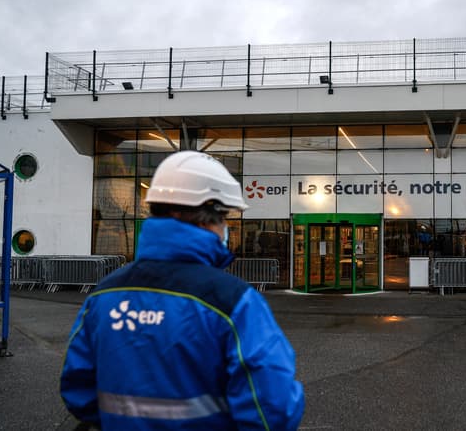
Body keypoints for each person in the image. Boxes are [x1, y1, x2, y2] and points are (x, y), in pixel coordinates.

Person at [60, 151, 304, 430]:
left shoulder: (104, 295)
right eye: (223, 217)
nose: (226, 228)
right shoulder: (233, 301)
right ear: (205, 218)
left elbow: (78, 389)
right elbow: (273, 409)